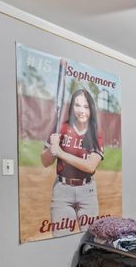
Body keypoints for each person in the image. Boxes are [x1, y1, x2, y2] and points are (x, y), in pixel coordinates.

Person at [41, 89, 104, 236]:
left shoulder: (96, 133)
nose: (81, 110)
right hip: (62, 191)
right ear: (71, 107)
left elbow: (90, 166)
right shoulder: (61, 128)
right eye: (77, 105)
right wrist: (51, 149)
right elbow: (45, 162)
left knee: (91, 239)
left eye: (86, 106)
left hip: (87, 192)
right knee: (60, 238)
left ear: (91, 109)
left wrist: (61, 153)